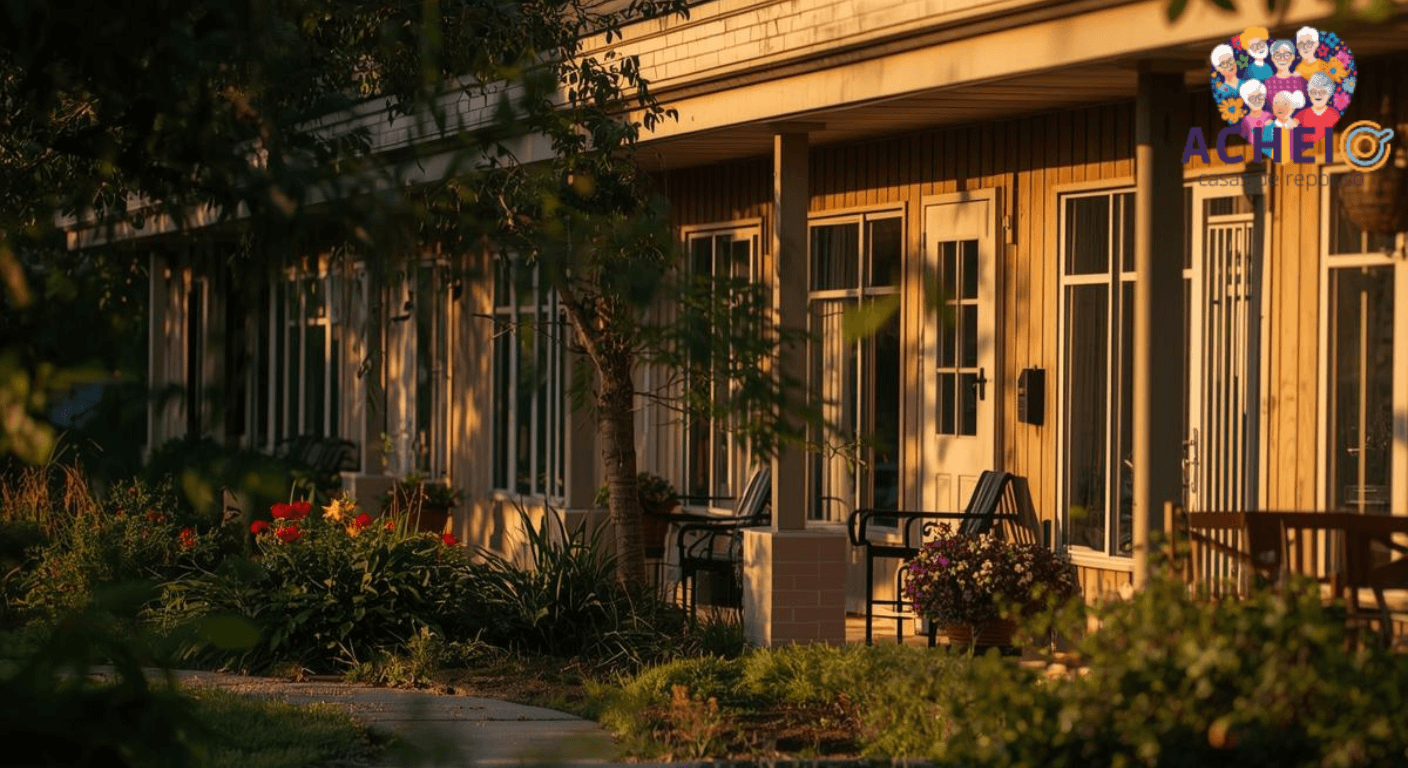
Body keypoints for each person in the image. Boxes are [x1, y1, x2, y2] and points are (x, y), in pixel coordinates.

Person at [1296, 72, 1341, 151]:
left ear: (1329, 94)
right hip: (1306, 153)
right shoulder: (1302, 115)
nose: (1317, 95)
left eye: (1322, 92)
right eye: (1313, 92)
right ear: (1309, 94)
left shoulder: (1334, 114)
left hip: (1327, 152)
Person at [1260, 90, 1304, 161]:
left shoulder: (1297, 127)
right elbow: (1264, 148)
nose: (1280, 107)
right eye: (1276, 103)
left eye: (1285, 104)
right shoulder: (1268, 127)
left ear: (1292, 108)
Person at [1263, 40, 1305, 109]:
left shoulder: (1300, 81)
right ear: (1272, 58)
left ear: (1292, 57)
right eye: (1278, 55)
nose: (1282, 58)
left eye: (1286, 55)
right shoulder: (1268, 83)